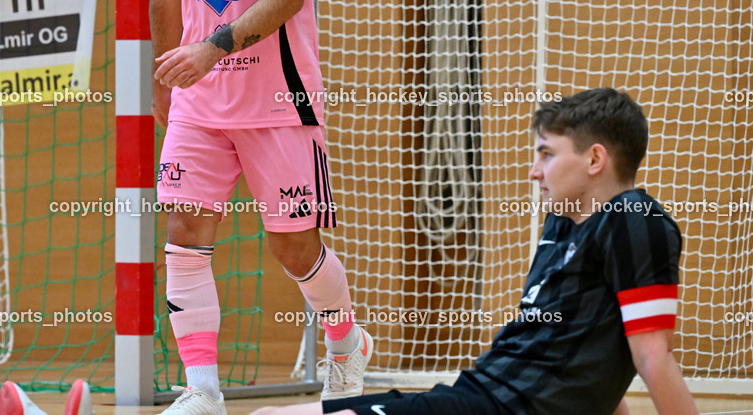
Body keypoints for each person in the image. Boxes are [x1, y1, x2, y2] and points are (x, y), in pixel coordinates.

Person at [147, 0, 372, 415]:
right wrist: (167, 76)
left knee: (292, 245)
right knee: (185, 227)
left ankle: (345, 342)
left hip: (279, 100)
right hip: (200, 101)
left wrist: (210, 49)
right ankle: (203, 389)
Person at [250, 88, 698, 415]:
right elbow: (589, 369)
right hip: (478, 395)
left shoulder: (634, 218)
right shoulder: (561, 224)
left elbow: (652, 357)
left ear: (595, 160)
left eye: (546, 154)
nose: (534, 171)